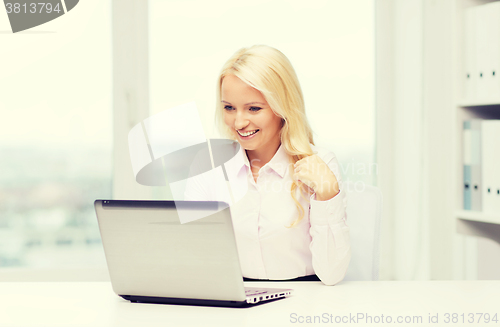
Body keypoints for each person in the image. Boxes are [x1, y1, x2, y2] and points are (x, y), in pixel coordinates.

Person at [185, 45, 350, 286]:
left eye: (254, 108)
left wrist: (327, 193)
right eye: (229, 107)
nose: (239, 122)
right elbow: (193, 256)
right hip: (233, 300)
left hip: (302, 300)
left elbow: (332, 274)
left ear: (282, 107)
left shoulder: (320, 164)